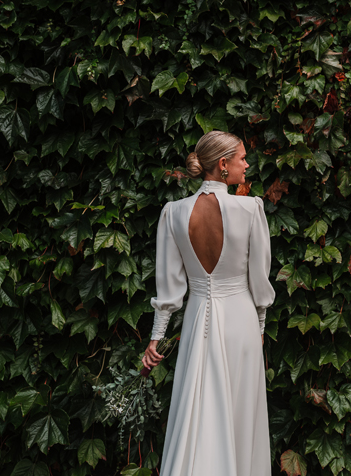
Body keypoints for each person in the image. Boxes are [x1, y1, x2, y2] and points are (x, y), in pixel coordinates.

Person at [142, 130, 275, 476]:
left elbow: (169, 290)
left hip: (198, 316)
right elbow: (260, 281)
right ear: (223, 164)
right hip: (241, 323)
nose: (247, 164)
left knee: (197, 409)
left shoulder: (173, 213)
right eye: (242, 158)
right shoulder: (250, 209)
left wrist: (156, 338)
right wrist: (260, 326)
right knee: (240, 414)